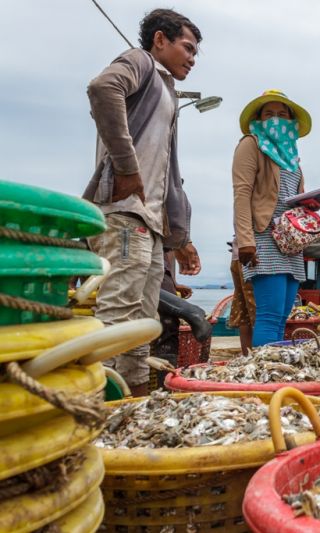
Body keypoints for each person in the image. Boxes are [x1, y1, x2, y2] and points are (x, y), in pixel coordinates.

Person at [83, 9, 203, 396]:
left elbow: (167, 173)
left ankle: (130, 404)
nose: (192, 58)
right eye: (187, 47)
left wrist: (179, 236)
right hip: (124, 213)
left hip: (149, 222)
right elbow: (103, 89)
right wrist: (125, 166)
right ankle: (94, 406)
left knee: (142, 322)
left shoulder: (166, 91)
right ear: (160, 40)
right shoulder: (141, 62)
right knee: (118, 316)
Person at [232, 89, 313, 346]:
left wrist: (311, 203)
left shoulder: (292, 157)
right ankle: (263, 378)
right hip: (264, 239)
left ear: (291, 120)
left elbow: (294, 196)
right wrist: (246, 241)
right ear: (259, 119)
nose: (275, 119)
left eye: (281, 114)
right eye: (269, 114)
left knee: (281, 319)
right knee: (268, 317)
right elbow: (241, 193)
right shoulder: (251, 144)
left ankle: (273, 374)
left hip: (291, 244)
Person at [228, 236, 256, 353]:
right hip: (253, 254)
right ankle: (258, 358)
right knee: (260, 312)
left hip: (240, 253)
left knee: (244, 309)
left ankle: (247, 357)